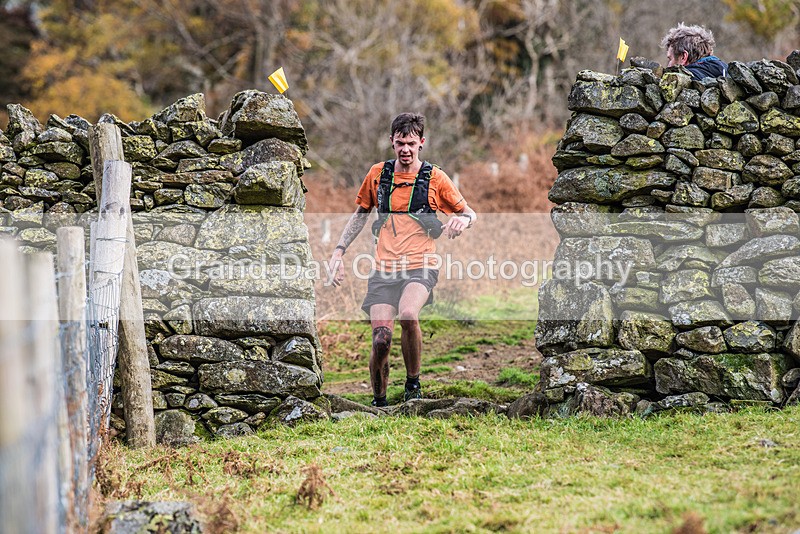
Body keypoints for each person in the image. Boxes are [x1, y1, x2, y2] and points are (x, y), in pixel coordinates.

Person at [328, 113, 477, 407]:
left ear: (421, 142)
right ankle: (379, 402)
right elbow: (360, 216)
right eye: (399, 143)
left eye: (410, 143)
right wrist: (338, 251)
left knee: (409, 314)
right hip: (383, 270)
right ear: (391, 142)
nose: (405, 149)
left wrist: (463, 222)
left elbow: (470, 213)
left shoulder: (435, 178)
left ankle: (412, 384)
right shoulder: (378, 175)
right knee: (381, 340)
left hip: (421, 265)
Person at [661, 23, 727, 80]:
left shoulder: (686, 81)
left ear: (683, 57)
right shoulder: (731, 74)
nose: (668, 66)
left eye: (670, 59)